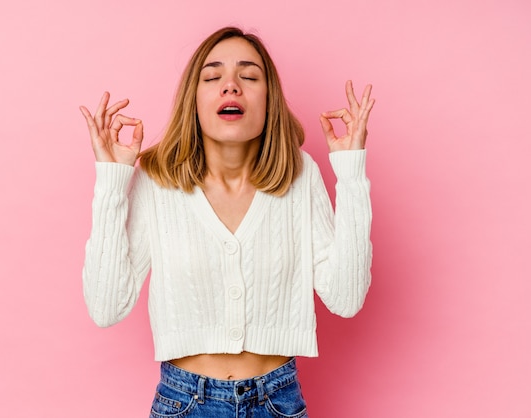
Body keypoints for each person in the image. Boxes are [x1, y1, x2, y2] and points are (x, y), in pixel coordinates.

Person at [79, 26, 374, 418]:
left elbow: (347, 298)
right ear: (194, 100)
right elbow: (106, 306)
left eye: (249, 77)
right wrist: (112, 179)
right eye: (213, 76)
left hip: (278, 402)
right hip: (183, 402)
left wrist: (351, 173)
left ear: (269, 101)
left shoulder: (300, 175)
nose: (231, 86)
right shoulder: (156, 179)